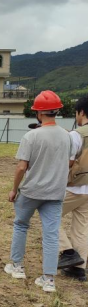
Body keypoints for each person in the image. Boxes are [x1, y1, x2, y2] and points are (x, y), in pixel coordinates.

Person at [5, 91, 72, 293]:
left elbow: (21, 167)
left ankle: (17, 266)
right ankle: (48, 278)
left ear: (39, 113)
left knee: (21, 225)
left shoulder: (32, 136)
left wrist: (14, 189)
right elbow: (69, 162)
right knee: (51, 235)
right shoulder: (67, 136)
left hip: (32, 191)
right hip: (55, 193)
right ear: (57, 111)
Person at [57, 95, 88, 282]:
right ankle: (79, 267)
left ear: (81, 112)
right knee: (82, 227)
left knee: (49, 215)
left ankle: (67, 251)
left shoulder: (77, 134)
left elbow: (67, 162)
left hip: (74, 187)